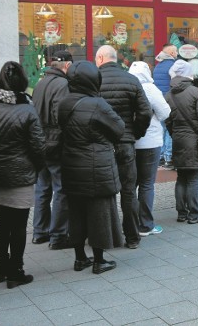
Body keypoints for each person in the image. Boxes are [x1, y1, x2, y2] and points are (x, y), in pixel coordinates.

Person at [58, 61, 125, 274]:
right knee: (99, 213)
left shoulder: (64, 102)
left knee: (76, 213)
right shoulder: (97, 104)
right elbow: (119, 128)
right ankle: (99, 260)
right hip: (97, 166)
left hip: (71, 164)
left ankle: (80, 259)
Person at [0, 62, 46, 289]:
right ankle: (15, 271)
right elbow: (38, 146)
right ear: (23, 82)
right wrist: (38, 168)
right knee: (19, 224)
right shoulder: (27, 109)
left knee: (3, 222)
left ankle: (1, 267)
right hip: (20, 174)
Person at [96, 45, 152, 249]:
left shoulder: (94, 80)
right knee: (129, 191)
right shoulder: (131, 79)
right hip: (126, 143)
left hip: (101, 144)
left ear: (100, 58)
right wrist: (135, 132)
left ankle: (105, 237)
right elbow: (145, 112)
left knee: (102, 192)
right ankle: (132, 237)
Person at [31, 50, 73, 250]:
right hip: (55, 143)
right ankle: (58, 236)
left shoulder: (40, 83)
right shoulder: (62, 84)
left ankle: (39, 232)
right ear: (66, 65)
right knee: (61, 189)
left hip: (40, 143)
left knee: (42, 189)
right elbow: (61, 115)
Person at [165, 59, 198, 224]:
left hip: (178, 139)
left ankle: (181, 213)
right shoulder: (196, 92)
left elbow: (167, 120)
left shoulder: (168, 95)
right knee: (193, 178)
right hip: (194, 139)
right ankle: (194, 214)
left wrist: (174, 134)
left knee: (181, 177)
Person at [129, 61, 171, 237]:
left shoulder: (127, 86)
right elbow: (165, 112)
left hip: (130, 141)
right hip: (150, 142)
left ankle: (129, 223)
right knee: (146, 184)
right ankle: (145, 224)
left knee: (131, 184)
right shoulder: (151, 89)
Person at [153, 43, 178, 169]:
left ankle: (160, 157)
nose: (177, 53)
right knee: (170, 129)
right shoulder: (174, 66)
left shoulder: (157, 67)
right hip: (170, 101)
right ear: (172, 53)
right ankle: (169, 157)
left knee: (162, 128)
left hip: (159, 102)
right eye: (176, 51)